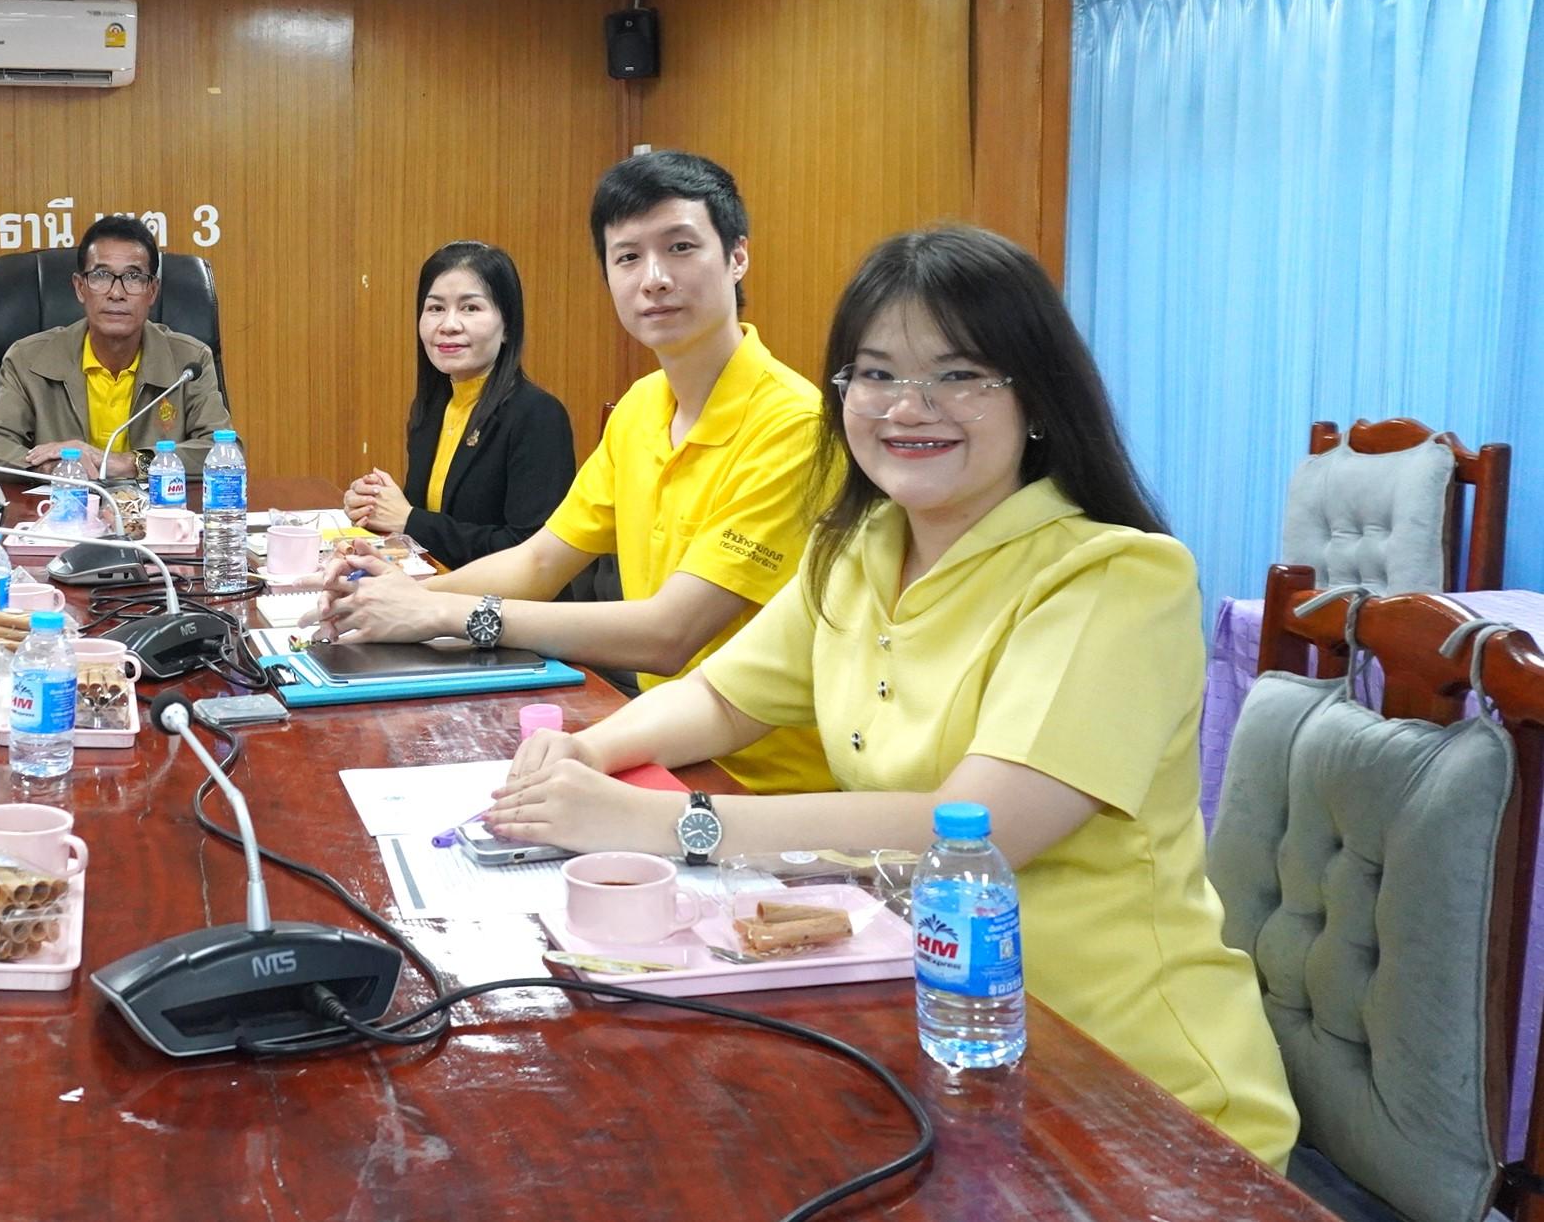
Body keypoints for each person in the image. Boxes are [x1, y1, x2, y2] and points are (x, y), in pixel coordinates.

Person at [487, 224, 1298, 1168]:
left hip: (1127, 1098)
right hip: (914, 1030)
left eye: (958, 375)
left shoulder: (1116, 578)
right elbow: (719, 696)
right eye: (873, 375)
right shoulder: (861, 550)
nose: (908, 407)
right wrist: (582, 755)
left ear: (1034, 395)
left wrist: (661, 823)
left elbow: (985, 828)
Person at [323, 152, 830, 793]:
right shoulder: (644, 405)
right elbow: (538, 562)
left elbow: (670, 633)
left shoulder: (795, 425)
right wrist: (393, 597)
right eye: (627, 257)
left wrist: (441, 614)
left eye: (680, 247)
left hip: (762, 780)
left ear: (737, 257)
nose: (654, 279)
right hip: (650, 741)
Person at [342, 241, 574, 568]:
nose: (448, 325)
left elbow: (529, 552)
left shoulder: (537, 415)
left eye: (470, 308)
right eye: (436, 308)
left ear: (507, 325)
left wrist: (407, 519)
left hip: (497, 609)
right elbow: (432, 519)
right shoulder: (434, 408)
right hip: (432, 593)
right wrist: (375, 505)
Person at [0, 214, 232, 481]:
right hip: (61, 515)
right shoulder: (28, 360)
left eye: (133, 276)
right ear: (80, 288)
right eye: (102, 275)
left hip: (154, 516)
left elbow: (223, 452)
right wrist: (49, 467)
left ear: (152, 291)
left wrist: (130, 463)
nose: (117, 293)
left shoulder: (189, 362)